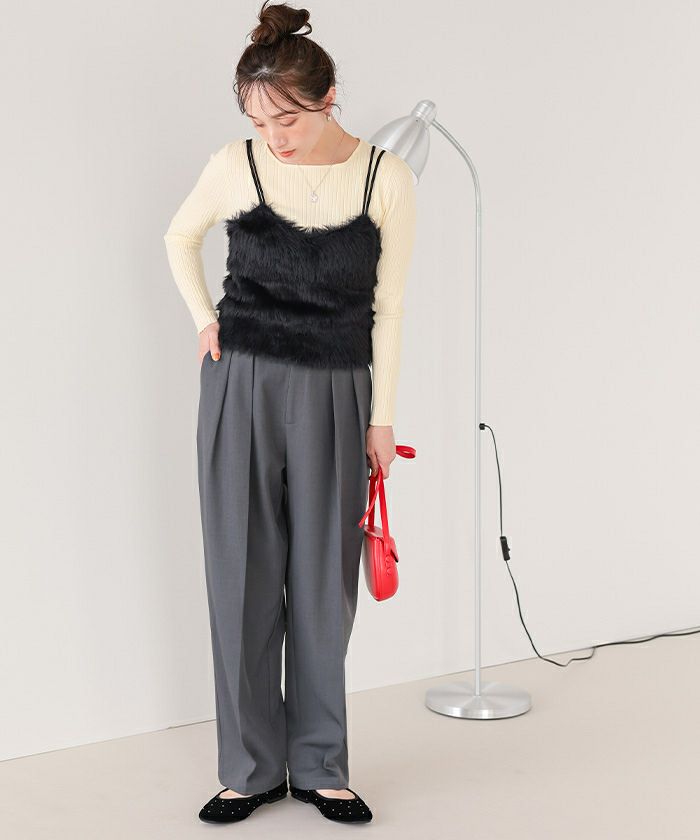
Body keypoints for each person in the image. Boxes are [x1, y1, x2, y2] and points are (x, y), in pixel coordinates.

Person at [163, 0, 416, 825]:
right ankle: (248, 769)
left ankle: (320, 766)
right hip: (240, 382)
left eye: (289, 117)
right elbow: (179, 238)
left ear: (328, 97)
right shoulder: (233, 163)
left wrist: (382, 417)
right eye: (258, 119)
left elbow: (390, 307)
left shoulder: (385, 176)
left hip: (338, 387)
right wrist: (205, 318)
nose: (274, 135)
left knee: (323, 583)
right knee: (238, 570)